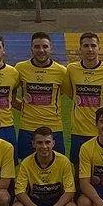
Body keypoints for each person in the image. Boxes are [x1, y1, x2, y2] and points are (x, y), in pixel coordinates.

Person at [11, 126, 79, 206]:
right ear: (33, 144)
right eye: (39, 143)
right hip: (35, 202)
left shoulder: (63, 161)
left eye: (47, 142)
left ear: (53, 143)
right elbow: (19, 191)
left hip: (56, 203)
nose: (44, 146)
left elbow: (70, 191)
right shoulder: (26, 163)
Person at [64, 32, 103, 174]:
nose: (90, 49)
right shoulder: (71, 69)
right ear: (80, 49)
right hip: (78, 130)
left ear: (99, 48)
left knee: (101, 171)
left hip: (101, 130)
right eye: (86, 46)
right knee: (78, 170)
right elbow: (71, 93)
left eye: (93, 45)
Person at [15, 32, 67, 160]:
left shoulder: (61, 71)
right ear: (31, 48)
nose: (41, 50)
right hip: (27, 127)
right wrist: (27, 108)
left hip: (54, 128)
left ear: (51, 48)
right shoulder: (20, 68)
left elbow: (67, 93)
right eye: (37, 47)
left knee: (56, 166)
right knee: (27, 166)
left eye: (45, 46)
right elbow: (10, 96)